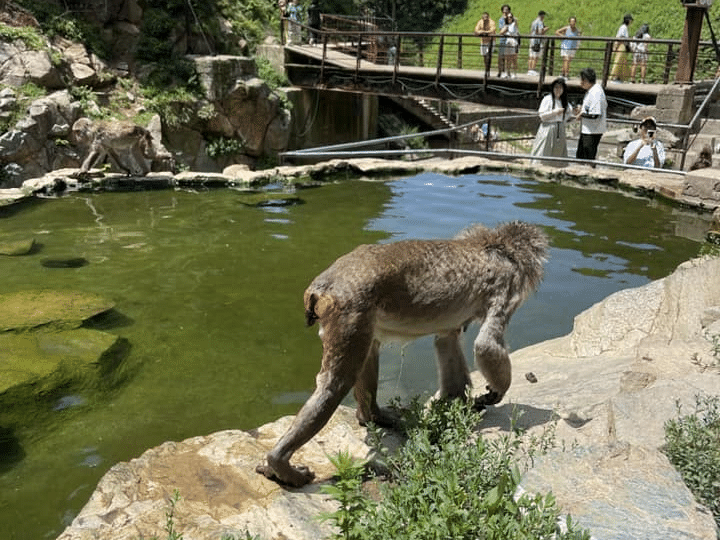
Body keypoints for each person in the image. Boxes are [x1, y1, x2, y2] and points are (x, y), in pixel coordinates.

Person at [531, 77, 574, 162]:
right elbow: (542, 115)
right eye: (556, 88)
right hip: (548, 128)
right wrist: (554, 112)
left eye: (560, 88)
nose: (558, 90)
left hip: (559, 129)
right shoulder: (547, 99)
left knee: (558, 150)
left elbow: (568, 115)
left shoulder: (564, 102)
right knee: (543, 148)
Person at [575, 67, 607, 161]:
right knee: (581, 155)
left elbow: (595, 115)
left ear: (585, 80)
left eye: (581, 80)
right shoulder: (592, 90)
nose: (580, 83)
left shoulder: (596, 92)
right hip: (588, 129)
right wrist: (582, 109)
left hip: (593, 131)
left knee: (587, 156)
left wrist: (581, 115)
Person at [610, 13, 634, 83]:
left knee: (622, 61)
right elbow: (620, 37)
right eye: (630, 20)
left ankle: (619, 76)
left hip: (622, 45)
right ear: (628, 20)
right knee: (618, 60)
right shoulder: (623, 27)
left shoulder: (624, 27)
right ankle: (614, 76)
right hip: (621, 45)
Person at [499, 12, 519, 78]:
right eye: (508, 17)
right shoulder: (506, 25)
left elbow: (516, 20)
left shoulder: (514, 24)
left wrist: (512, 18)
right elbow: (501, 33)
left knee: (514, 58)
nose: (509, 18)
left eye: (510, 17)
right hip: (508, 42)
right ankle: (508, 73)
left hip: (514, 42)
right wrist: (504, 29)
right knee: (507, 58)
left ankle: (515, 73)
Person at [527, 10, 548, 75]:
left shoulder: (534, 22)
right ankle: (533, 69)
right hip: (537, 41)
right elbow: (540, 32)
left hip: (532, 40)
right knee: (535, 56)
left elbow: (532, 31)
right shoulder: (540, 22)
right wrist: (546, 29)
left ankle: (529, 70)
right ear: (542, 16)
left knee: (531, 55)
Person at [496, 4, 511, 77]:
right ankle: (500, 71)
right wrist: (506, 28)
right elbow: (501, 30)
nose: (505, 11)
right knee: (501, 56)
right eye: (504, 10)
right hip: (503, 39)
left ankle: (508, 72)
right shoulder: (501, 19)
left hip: (510, 40)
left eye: (507, 10)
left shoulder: (511, 18)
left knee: (509, 56)